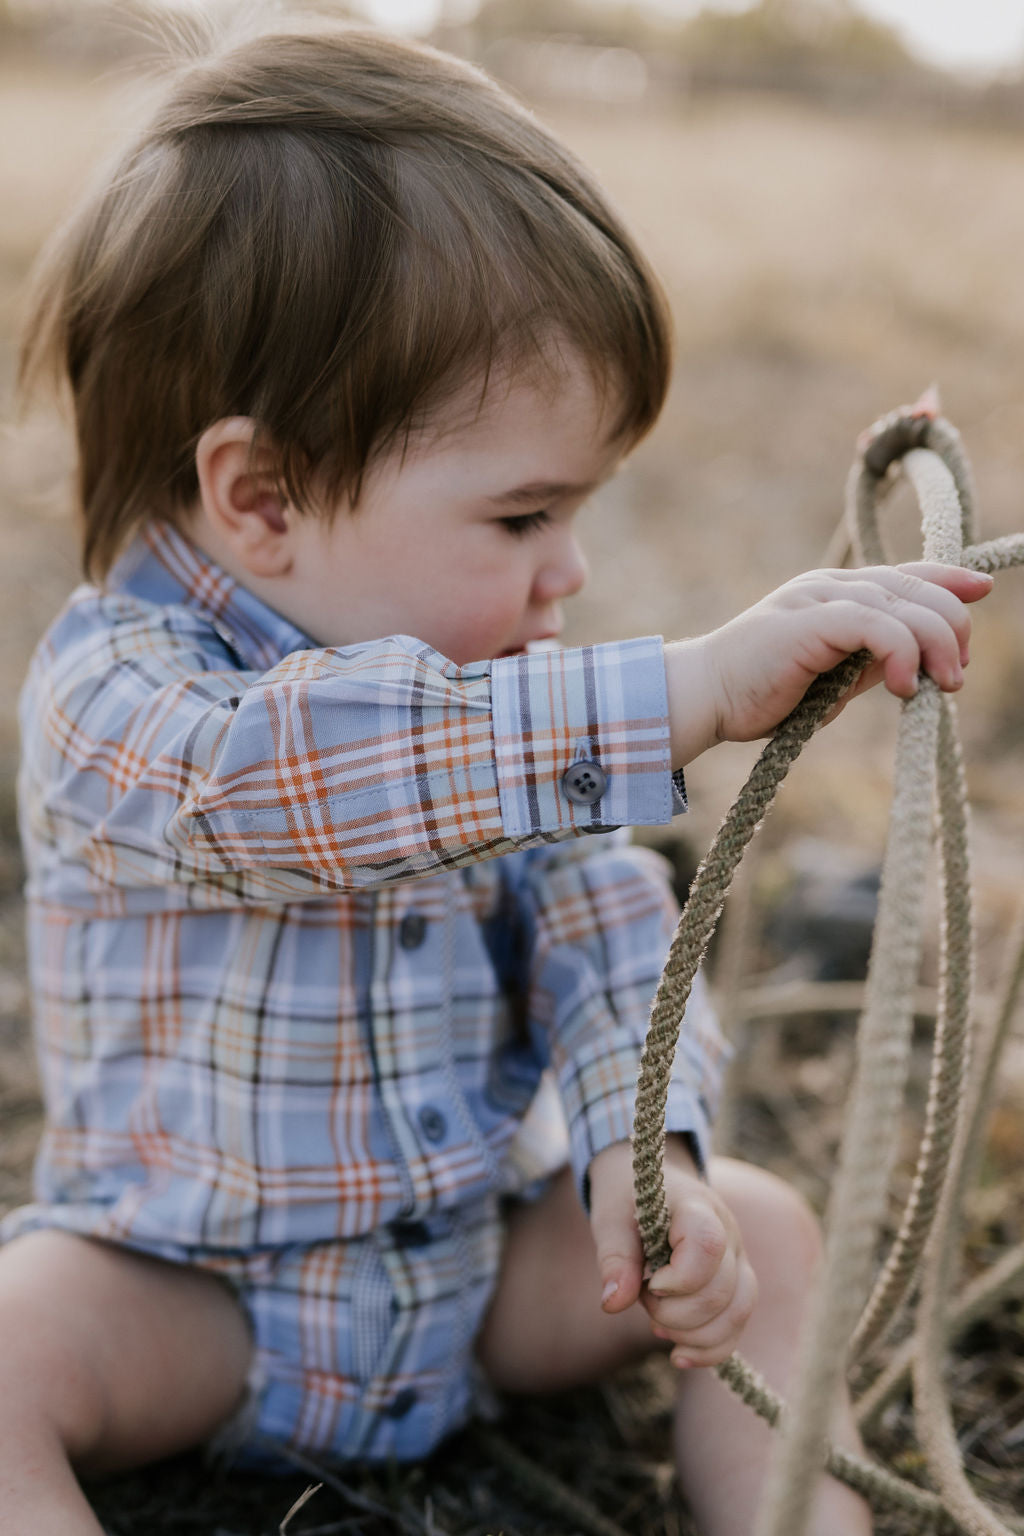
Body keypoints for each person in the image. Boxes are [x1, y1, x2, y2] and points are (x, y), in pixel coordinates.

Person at [0, 23, 990, 1536]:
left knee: (773, 1238)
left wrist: (638, 1155)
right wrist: (685, 688)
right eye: (524, 514)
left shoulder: (504, 695)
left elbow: (605, 924)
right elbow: (296, 787)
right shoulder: (114, 697)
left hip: (477, 1283)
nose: (568, 570)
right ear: (257, 495)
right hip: (195, 1300)